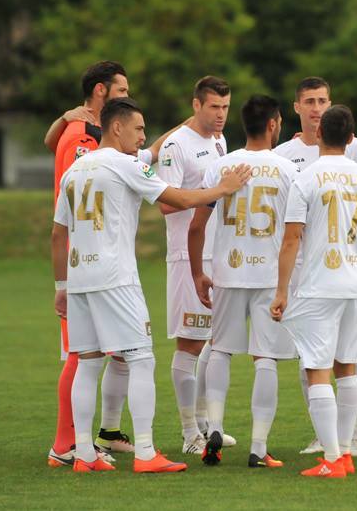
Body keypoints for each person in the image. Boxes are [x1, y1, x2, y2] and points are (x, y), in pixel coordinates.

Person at [51, 97, 251, 472]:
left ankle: (84, 454)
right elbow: (180, 197)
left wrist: (61, 285)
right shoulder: (126, 165)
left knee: (89, 364)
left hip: (80, 279)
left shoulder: (75, 170)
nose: (144, 137)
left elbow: (58, 234)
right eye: (139, 129)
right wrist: (222, 189)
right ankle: (145, 453)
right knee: (142, 358)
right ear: (117, 127)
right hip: (115, 278)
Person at [270, 105, 357, 478]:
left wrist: (281, 291)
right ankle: (345, 451)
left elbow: (291, 240)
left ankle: (331, 458)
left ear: (319, 135)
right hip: (356, 283)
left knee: (317, 370)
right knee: (347, 367)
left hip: (319, 284)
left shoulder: (306, 178)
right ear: (352, 138)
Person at [188, 95, 299, 468]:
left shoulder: (221, 166)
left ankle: (215, 428)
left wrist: (198, 272)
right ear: (273, 124)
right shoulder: (288, 170)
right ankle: (258, 447)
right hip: (270, 275)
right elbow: (297, 232)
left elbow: (196, 227)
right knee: (265, 357)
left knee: (220, 350)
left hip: (228, 271)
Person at [274, 77, 357, 456]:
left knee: (350, 354)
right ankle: (326, 437)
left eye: (322, 101)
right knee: (312, 355)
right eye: (310, 101)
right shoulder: (284, 154)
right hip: (306, 267)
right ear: (296, 107)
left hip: (341, 268)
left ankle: (352, 438)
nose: (317, 108)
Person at [47, 61, 134, 467]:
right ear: (101, 91)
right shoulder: (83, 138)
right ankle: (65, 444)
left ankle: (103, 434)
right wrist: (62, 283)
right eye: (121, 91)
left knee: (111, 351)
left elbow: (51, 141)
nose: (127, 98)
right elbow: (76, 204)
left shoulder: (82, 129)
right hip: (85, 260)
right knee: (80, 354)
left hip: (96, 262)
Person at [157, 76, 237, 453]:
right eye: (214, 107)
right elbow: (165, 202)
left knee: (214, 342)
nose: (220, 114)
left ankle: (205, 423)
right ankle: (189, 431)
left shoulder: (220, 141)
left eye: (225, 107)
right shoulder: (176, 145)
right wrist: (214, 192)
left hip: (216, 253)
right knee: (190, 343)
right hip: (186, 255)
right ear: (196, 105)